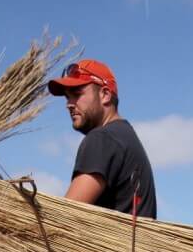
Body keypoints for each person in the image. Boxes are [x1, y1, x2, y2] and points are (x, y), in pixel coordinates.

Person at [47, 58, 156, 218]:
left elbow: (65, 217)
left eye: (77, 94)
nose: (69, 104)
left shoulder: (102, 139)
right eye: (67, 97)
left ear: (105, 94)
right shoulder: (124, 136)